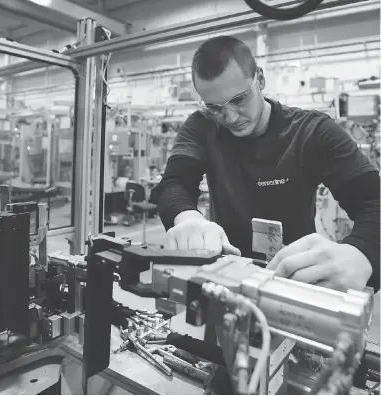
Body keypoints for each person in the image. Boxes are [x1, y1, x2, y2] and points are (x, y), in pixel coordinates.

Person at [156, 36, 380, 293]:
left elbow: (374, 201)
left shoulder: (311, 131)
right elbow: (174, 184)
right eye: (214, 107)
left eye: (239, 100)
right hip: (227, 279)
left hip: (296, 283)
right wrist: (187, 218)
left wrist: (362, 251)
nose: (229, 117)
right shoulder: (202, 126)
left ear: (260, 79)